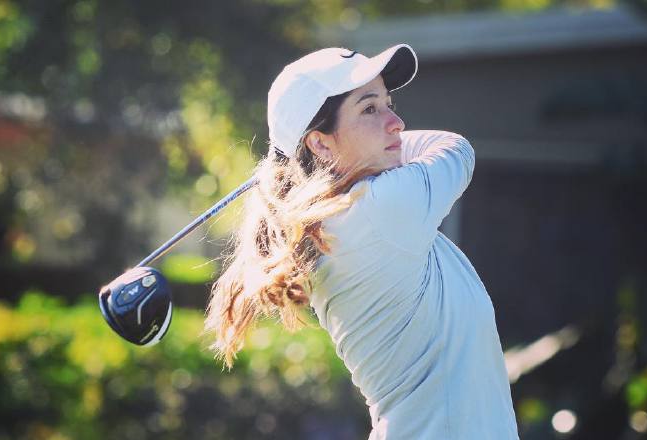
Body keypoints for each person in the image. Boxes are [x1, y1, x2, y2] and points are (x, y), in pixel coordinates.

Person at [204, 44, 519, 439]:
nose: (397, 123)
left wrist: (297, 159)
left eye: (388, 103)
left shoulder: (342, 218)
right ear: (319, 143)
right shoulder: (379, 210)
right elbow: (456, 148)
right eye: (370, 109)